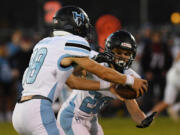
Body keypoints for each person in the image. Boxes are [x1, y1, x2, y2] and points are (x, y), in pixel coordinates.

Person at [12, 6, 148, 135]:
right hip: (39, 109)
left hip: (20, 109)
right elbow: (97, 70)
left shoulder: (44, 43)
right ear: (77, 24)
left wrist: (107, 85)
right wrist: (129, 81)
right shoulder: (74, 41)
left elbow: (70, 78)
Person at [57, 30, 155, 135]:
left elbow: (132, 105)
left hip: (92, 119)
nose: (122, 56)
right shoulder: (96, 61)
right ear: (109, 50)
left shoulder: (129, 76)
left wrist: (142, 120)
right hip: (72, 115)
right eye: (119, 52)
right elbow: (74, 72)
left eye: (127, 53)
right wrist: (93, 61)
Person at [149, 51, 180, 121]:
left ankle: (149, 116)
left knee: (167, 101)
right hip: (176, 77)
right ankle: (175, 108)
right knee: (167, 101)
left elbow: (177, 58)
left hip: (172, 76)